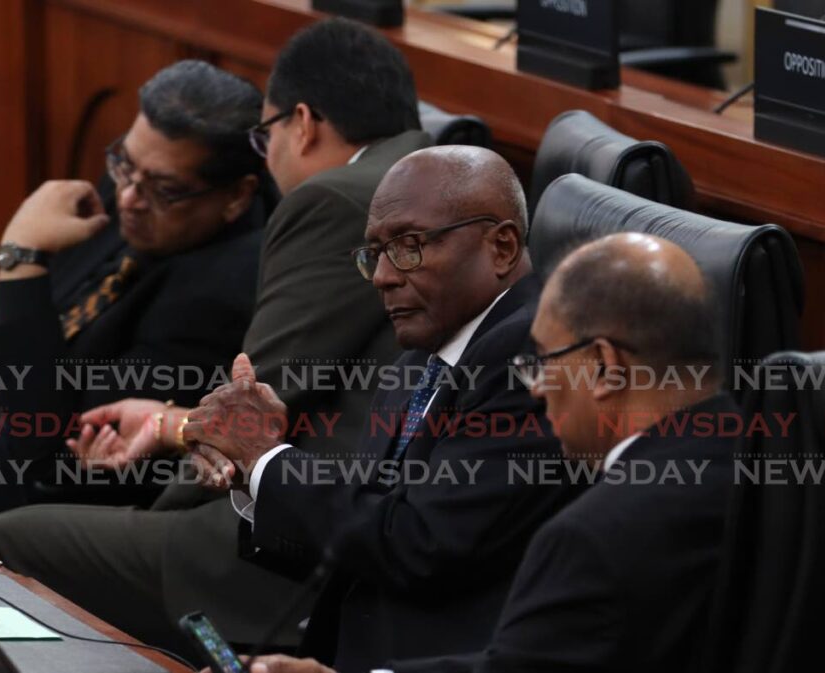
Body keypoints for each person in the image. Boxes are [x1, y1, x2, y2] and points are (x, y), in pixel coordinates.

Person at [0, 17, 432, 656]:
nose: (266, 154)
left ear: (301, 124)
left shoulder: (335, 199)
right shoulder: (421, 175)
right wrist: (168, 424)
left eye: (263, 133)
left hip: (286, 553)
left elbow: (251, 405)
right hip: (348, 508)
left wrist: (156, 529)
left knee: (1, 540)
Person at [220, 232, 739, 673]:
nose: (536, 388)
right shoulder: (764, 462)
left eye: (545, 361)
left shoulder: (591, 538)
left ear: (604, 366)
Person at [182, 145, 580, 672]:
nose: (383, 276)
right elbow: (372, 531)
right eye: (375, 252)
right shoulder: (422, 355)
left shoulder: (530, 355)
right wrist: (252, 476)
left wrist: (267, 461)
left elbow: (423, 543)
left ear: (502, 246)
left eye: (409, 246)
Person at [0, 59, 266, 537]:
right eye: (124, 165)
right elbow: (4, 337)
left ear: (237, 196)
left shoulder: (225, 287)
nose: (128, 200)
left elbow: (39, 448)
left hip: (30, 493)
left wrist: (21, 260)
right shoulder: (140, 198)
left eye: (163, 189)